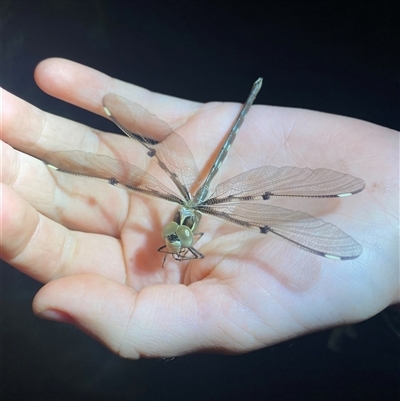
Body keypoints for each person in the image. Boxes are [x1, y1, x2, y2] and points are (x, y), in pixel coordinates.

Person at [1, 58, 398, 359]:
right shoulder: (174, 227)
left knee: (278, 223)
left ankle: (252, 97)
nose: (175, 241)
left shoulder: (200, 226)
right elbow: (121, 172)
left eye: (179, 238)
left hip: (218, 185)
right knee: (108, 171)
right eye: (177, 237)